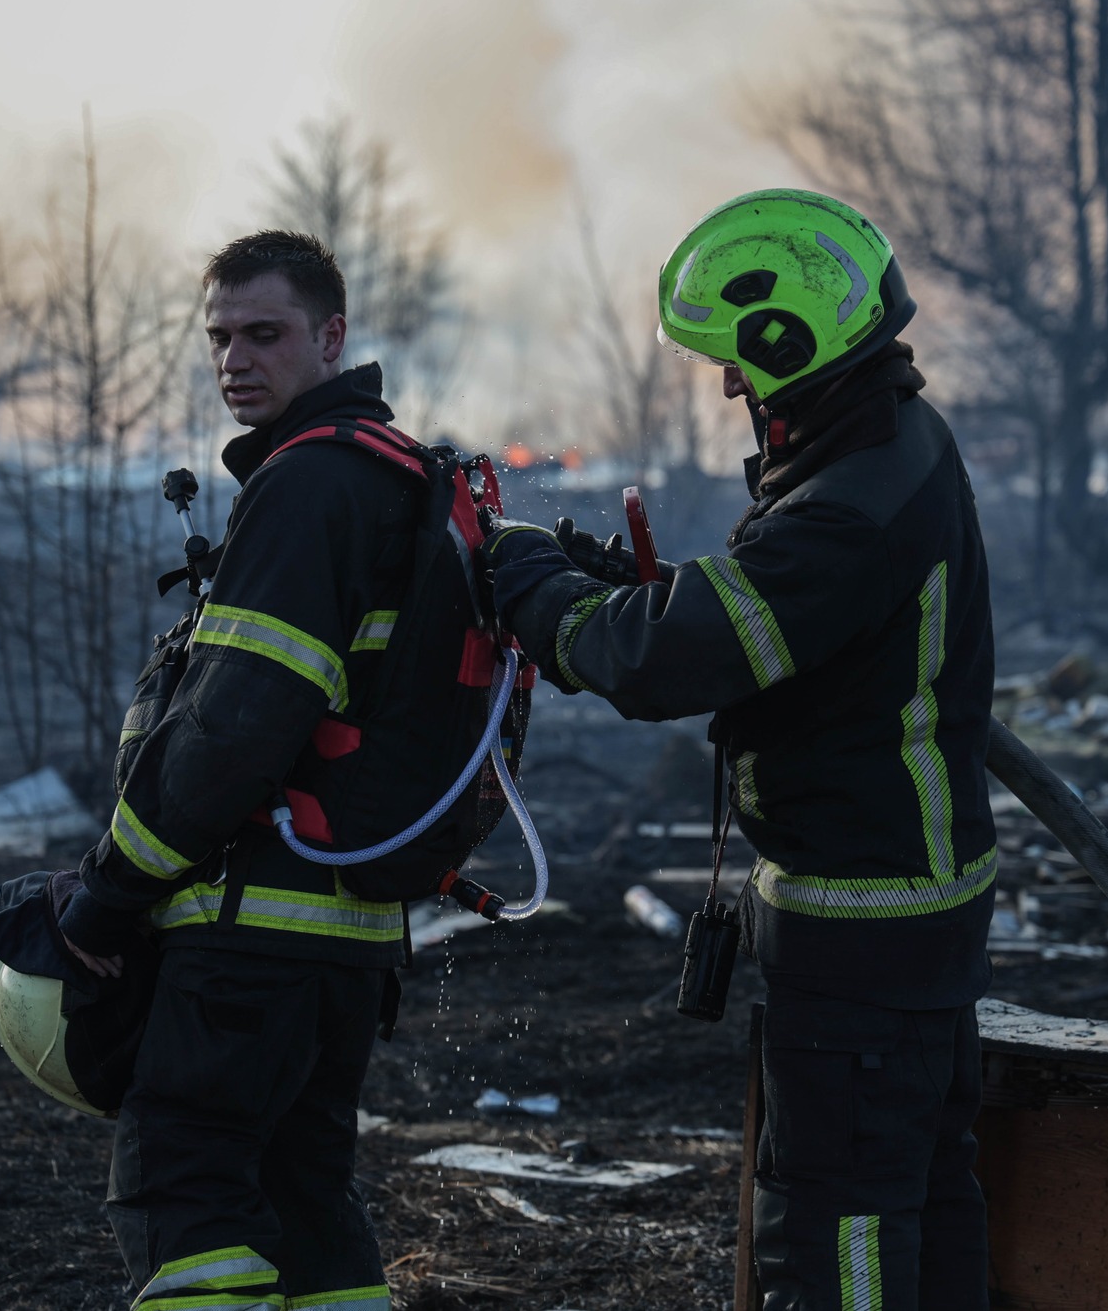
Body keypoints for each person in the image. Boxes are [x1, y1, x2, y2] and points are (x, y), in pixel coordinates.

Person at [483, 190, 995, 1310]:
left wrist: (535, 590)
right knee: (921, 1199)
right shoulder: (885, 444)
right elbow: (791, 626)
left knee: (835, 1230)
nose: (726, 385)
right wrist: (644, 592)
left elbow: (661, 663)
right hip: (908, 917)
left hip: (862, 935)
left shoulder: (846, 506)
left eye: (734, 359)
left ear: (790, 342)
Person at [56, 230, 422, 1311]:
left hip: (249, 933)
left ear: (331, 336)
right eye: (218, 337)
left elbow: (235, 725)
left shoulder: (307, 484)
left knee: (184, 1203)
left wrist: (111, 890)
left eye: (264, 334)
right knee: (308, 1212)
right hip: (347, 937)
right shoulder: (390, 474)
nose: (234, 360)